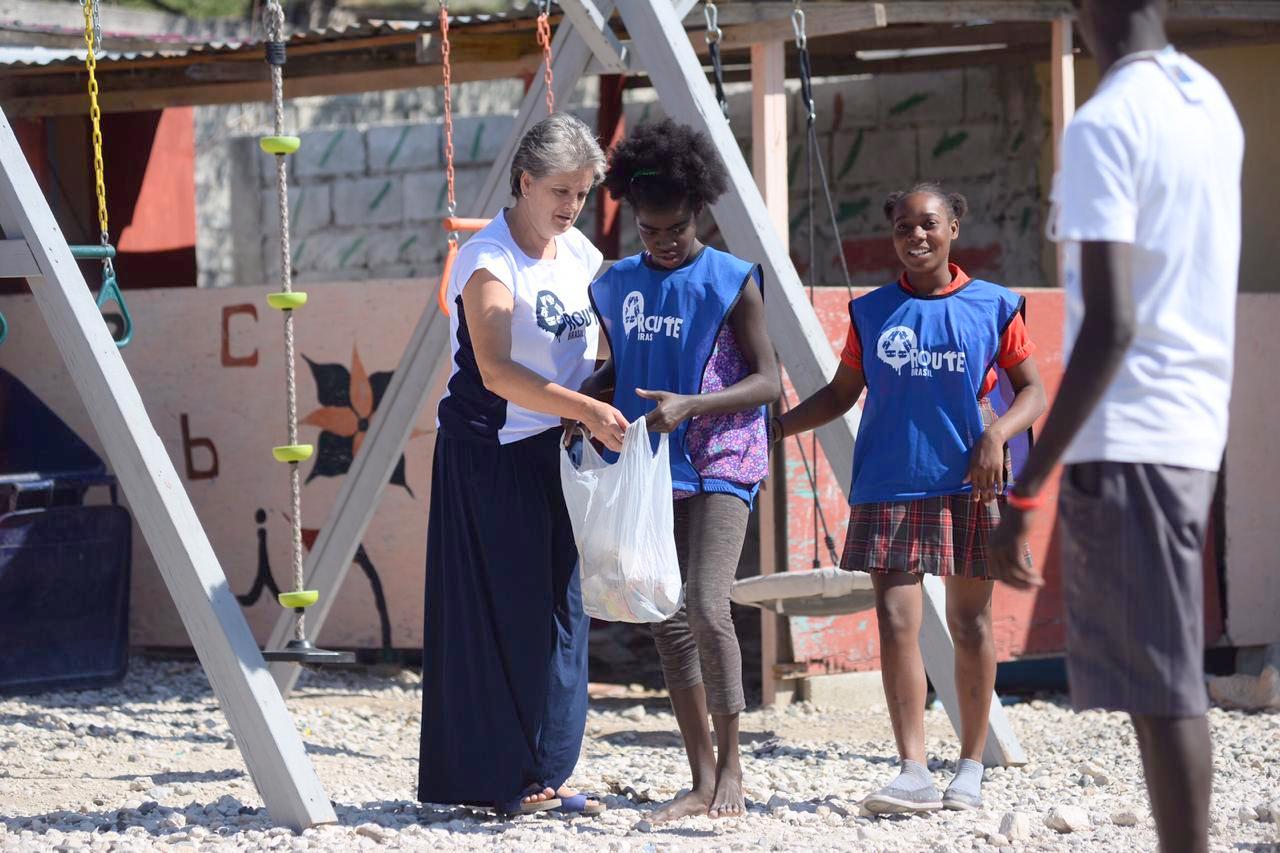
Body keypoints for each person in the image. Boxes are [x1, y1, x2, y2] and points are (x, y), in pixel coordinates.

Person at [989, 2, 1243, 850]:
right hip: (1192, 422)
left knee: (1163, 683)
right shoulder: (1208, 100)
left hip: (1132, 432)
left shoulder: (1107, 123)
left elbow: (1112, 324)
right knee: (1155, 675)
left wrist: (1029, 484)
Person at [775, 184, 1045, 814]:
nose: (915, 236)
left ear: (954, 227)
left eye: (928, 224)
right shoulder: (870, 314)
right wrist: (778, 427)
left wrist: (997, 436)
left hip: (969, 486)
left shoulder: (996, 306)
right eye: (902, 226)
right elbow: (841, 394)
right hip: (890, 485)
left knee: (970, 624)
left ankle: (971, 766)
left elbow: (1032, 392)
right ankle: (912, 769)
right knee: (897, 624)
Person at [418, 112, 626, 817]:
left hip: (558, 450)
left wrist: (606, 400)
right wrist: (586, 409)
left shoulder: (582, 258)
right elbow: (498, 369)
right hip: (492, 454)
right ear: (525, 180)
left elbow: (605, 344)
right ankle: (503, 774)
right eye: (560, 191)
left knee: (563, 611)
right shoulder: (487, 260)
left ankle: (551, 766)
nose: (571, 206)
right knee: (509, 613)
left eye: (582, 192)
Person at [580, 119, 780, 822]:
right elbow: (621, 368)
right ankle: (698, 777)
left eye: (674, 228)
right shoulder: (620, 284)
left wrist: (694, 403)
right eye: (649, 228)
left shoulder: (731, 280)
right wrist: (580, 401)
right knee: (665, 614)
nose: (662, 241)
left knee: (704, 602)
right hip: (652, 465)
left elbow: (769, 381)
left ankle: (733, 765)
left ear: (697, 211)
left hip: (724, 457)